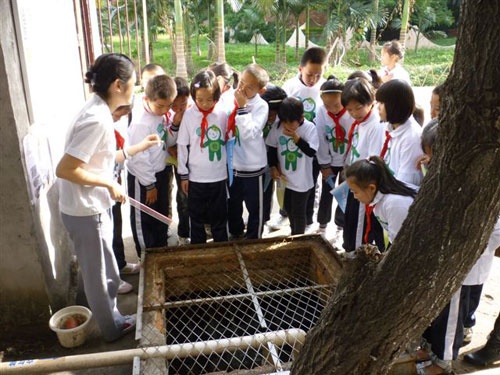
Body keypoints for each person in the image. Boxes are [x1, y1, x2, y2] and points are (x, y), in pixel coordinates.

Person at [56, 53, 161, 342]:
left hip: (93, 207)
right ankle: (112, 329)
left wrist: (137, 148)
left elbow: (98, 160)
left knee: (111, 273)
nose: (136, 89)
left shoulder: (98, 111)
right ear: (118, 85)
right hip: (84, 211)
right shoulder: (96, 119)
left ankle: (114, 317)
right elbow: (66, 169)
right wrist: (109, 184)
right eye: (133, 83)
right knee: (98, 278)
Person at [127, 74, 177, 256]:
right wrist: (149, 185)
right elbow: (139, 157)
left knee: (160, 215)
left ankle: (160, 250)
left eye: (169, 106)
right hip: (144, 179)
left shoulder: (161, 115)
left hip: (161, 171)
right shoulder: (141, 122)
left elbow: (164, 138)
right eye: (160, 106)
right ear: (147, 99)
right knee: (144, 218)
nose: (165, 110)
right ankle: (146, 256)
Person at [177, 70, 229, 244]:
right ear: (193, 96)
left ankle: (221, 246)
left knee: (219, 214)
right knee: (196, 217)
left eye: (209, 99)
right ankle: (198, 248)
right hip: (195, 177)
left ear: (216, 96)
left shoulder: (222, 114)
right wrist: (183, 174)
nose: (205, 104)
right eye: (199, 100)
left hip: (218, 175)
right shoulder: (189, 116)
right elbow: (182, 145)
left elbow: (229, 142)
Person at [283, 46, 327, 232]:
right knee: (293, 180)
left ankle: (308, 218)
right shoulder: (290, 87)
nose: (314, 80)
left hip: (315, 143)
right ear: (300, 69)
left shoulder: (324, 88)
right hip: (292, 144)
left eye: (318, 75)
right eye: (310, 75)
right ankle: (286, 214)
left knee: (312, 180)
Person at [341, 77, 385, 253]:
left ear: (371, 101)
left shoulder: (375, 125)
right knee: (349, 223)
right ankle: (349, 250)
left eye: (358, 108)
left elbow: (372, 160)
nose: (354, 113)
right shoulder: (360, 123)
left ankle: (356, 257)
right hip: (354, 182)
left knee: (359, 228)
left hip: (364, 183)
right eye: (349, 109)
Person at [227, 63, 269, 239]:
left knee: (255, 207)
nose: (242, 88)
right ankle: (236, 233)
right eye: (241, 82)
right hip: (233, 166)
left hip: (253, 168)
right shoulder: (230, 97)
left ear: (261, 90)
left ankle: (254, 238)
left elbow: (249, 134)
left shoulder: (261, 106)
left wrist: (242, 107)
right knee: (233, 204)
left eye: (249, 87)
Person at [266, 97, 319, 235]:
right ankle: (293, 233)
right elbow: (271, 146)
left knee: (298, 212)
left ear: (301, 118)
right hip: (284, 179)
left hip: (302, 181)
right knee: (288, 209)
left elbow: (311, 152)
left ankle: (298, 238)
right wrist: (273, 166)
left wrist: (297, 138)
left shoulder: (309, 128)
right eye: (284, 122)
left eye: (291, 123)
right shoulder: (278, 127)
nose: (287, 126)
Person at [344, 156, 417, 244]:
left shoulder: (395, 204)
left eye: (355, 192)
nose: (355, 197)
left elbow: (402, 244)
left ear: (371, 188)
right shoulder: (380, 198)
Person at [315, 76, 352, 234]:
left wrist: (348, 164)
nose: (332, 109)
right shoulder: (321, 112)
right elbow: (321, 138)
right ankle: (322, 225)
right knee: (326, 192)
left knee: (344, 194)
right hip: (329, 162)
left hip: (346, 162)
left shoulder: (350, 112)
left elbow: (353, 139)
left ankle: (340, 227)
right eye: (327, 105)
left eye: (336, 104)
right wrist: (324, 164)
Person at [111, 105, 140, 295]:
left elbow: (116, 157)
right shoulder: (94, 124)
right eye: (119, 112)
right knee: (108, 235)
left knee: (117, 227)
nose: (122, 116)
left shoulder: (113, 126)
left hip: (112, 184)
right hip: (101, 192)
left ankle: (120, 264)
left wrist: (117, 178)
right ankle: (112, 279)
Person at [376, 79, 423, 186]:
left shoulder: (411, 138)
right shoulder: (390, 127)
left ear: (395, 105)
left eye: (382, 103)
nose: (378, 107)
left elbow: (405, 183)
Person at [167, 77, 191, 245]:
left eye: (182, 104)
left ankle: (203, 225)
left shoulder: (194, 111)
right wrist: (171, 147)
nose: (178, 109)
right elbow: (165, 139)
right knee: (183, 197)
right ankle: (184, 232)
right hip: (179, 164)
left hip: (197, 161)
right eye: (174, 105)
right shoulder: (167, 115)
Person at [260, 84, 288, 227]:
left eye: (272, 115)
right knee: (264, 193)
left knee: (284, 192)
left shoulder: (286, 123)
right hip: (262, 162)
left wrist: (276, 164)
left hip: (282, 162)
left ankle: (286, 214)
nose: (269, 118)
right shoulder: (260, 119)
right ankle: (263, 219)